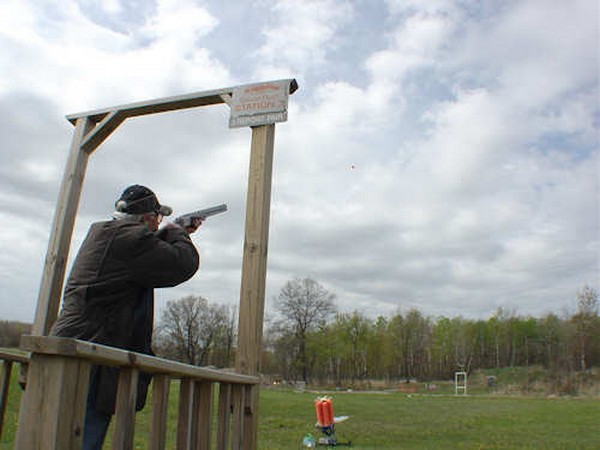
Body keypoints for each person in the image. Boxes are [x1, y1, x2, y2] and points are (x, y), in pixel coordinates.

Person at [50, 184, 201, 450]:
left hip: (77, 352)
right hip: (90, 361)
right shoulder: (129, 240)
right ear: (147, 218)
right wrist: (178, 234)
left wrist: (169, 234)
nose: (159, 223)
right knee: (79, 439)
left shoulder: (108, 234)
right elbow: (182, 263)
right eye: (157, 217)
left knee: (57, 436)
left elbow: (148, 256)